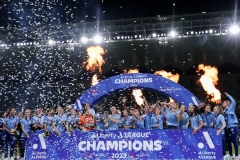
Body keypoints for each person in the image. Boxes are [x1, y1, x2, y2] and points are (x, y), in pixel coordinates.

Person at [222, 92, 238, 159]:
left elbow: (233, 101)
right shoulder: (223, 111)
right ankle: (231, 155)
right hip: (227, 128)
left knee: (234, 141)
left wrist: (228, 95)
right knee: (228, 142)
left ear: (227, 103)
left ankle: (236, 155)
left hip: (232, 126)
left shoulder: (230, 108)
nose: (222, 103)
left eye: (224, 103)